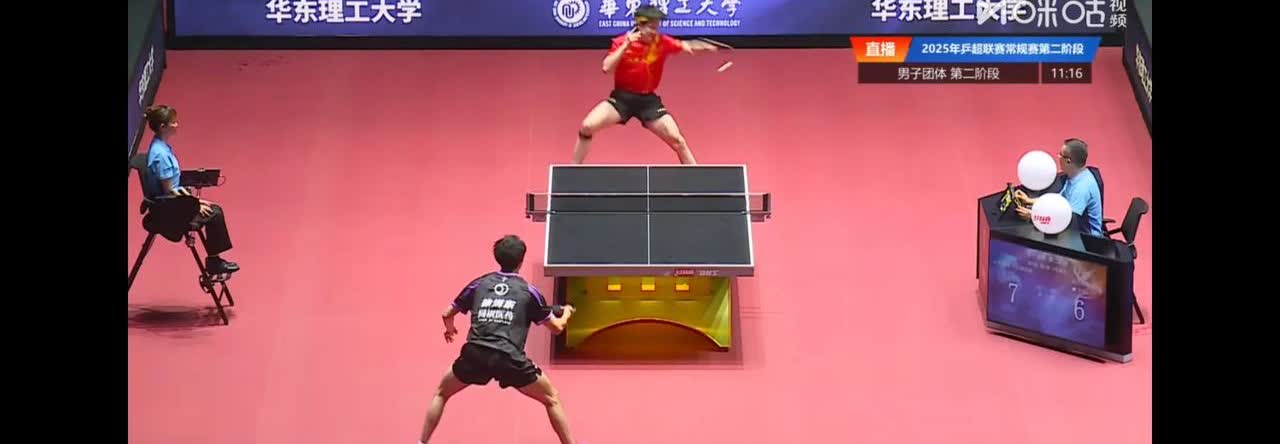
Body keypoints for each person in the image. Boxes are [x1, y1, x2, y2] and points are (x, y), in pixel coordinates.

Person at [419, 235, 578, 444]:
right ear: (521, 260)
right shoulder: (529, 292)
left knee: (441, 393)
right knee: (552, 398)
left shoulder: (479, 284)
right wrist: (566, 313)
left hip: (476, 354)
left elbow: (446, 313)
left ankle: (421, 442)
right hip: (508, 357)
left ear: (498, 258)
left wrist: (450, 329)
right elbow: (556, 328)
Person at [572, 5, 721, 165]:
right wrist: (625, 46)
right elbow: (606, 68)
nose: (654, 32)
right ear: (640, 25)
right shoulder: (621, 42)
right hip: (622, 99)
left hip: (648, 101)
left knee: (678, 140)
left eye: (656, 28)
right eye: (651, 28)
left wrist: (707, 47)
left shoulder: (661, 42)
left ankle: (697, 177)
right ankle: (572, 172)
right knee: (587, 127)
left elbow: (688, 46)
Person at [140, 105, 240, 274]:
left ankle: (214, 260)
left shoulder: (161, 146)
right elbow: (170, 192)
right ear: (163, 127)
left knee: (212, 209)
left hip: (172, 202)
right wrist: (195, 204)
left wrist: (195, 201)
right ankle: (214, 263)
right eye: (173, 122)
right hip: (168, 210)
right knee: (215, 213)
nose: (177, 125)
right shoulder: (161, 155)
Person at [1015, 138, 1103, 236]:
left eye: (1060, 155)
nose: (1058, 157)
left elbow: (1067, 223)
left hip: (1085, 239)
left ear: (1068, 161)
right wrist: (1029, 201)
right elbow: (1059, 201)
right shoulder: (1075, 175)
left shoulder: (1081, 188)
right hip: (1074, 231)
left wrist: (1034, 217)